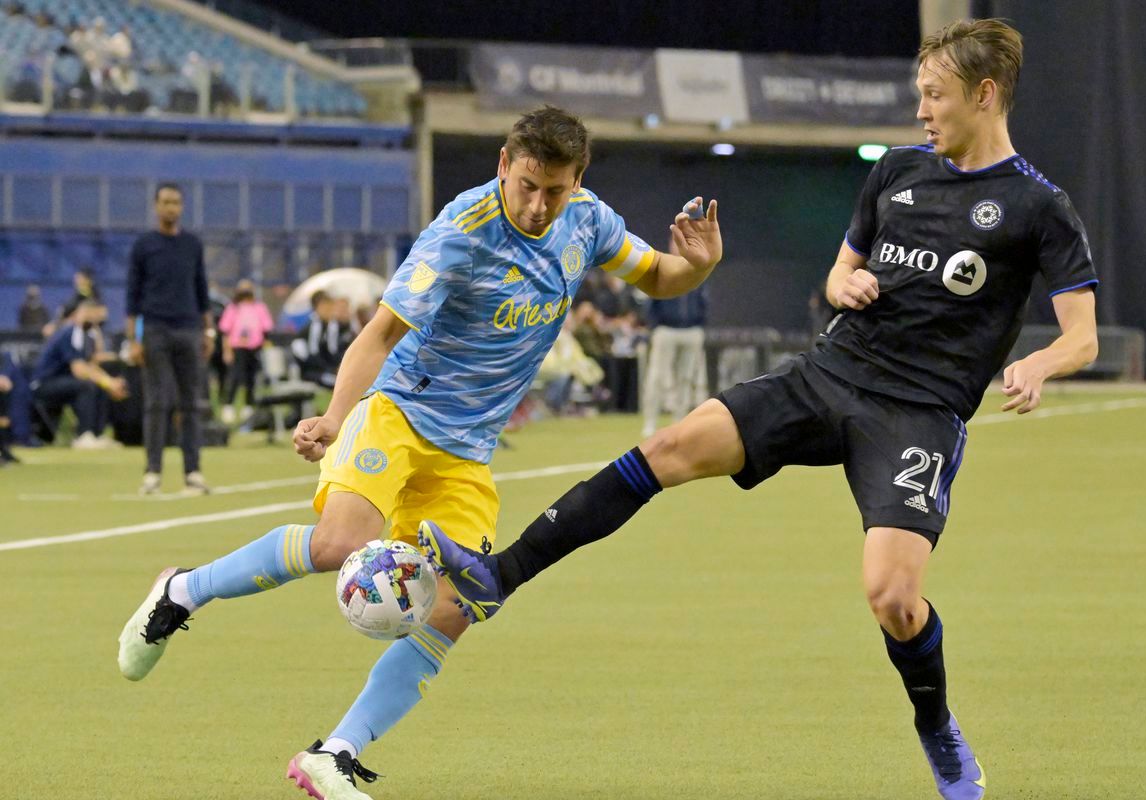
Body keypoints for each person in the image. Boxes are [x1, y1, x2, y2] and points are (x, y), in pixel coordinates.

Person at [423, 21, 1099, 800]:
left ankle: (936, 726)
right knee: (670, 446)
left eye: (935, 95)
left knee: (894, 598)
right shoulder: (896, 175)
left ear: (984, 96)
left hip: (918, 414)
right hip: (827, 375)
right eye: (919, 93)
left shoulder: (1038, 206)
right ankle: (498, 576)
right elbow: (845, 269)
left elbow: (1079, 336)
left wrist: (1041, 362)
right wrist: (843, 284)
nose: (921, 110)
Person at [115, 105, 723, 800]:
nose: (536, 204)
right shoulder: (461, 233)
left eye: (553, 190)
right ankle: (179, 592)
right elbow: (377, 336)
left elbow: (660, 276)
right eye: (526, 184)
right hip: (400, 413)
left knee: (456, 607)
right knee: (337, 543)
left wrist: (699, 267)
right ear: (504, 164)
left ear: (577, 180)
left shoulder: (588, 221)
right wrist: (336, 417)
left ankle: (333, 755)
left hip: (466, 454)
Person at [126, 182, 213, 496]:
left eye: (176, 202)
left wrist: (207, 331)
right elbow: (132, 297)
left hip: (189, 329)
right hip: (155, 330)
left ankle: (193, 472)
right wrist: (134, 340)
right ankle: (152, 472)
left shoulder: (192, 244)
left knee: (190, 403)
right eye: (165, 202)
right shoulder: (144, 245)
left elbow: (201, 289)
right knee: (157, 400)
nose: (171, 208)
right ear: (155, 206)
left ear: (182, 207)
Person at [31, 299, 129, 449]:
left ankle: (97, 434)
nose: (98, 324)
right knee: (87, 385)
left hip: (62, 381)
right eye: (97, 319)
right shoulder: (70, 331)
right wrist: (108, 382)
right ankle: (84, 436)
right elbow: (79, 370)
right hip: (43, 384)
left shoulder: (84, 335)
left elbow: (90, 365)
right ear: (86, 314)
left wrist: (109, 383)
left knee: (99, 386)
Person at [640, 239, 709, 437]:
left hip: (691, 330)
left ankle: (679, 422)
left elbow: (704, 301)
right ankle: (650, 422)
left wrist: (700, 323)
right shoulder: (663, 266)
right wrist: (655, 326)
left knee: (686, 378)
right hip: (666, 329)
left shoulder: (697, 269)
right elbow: (651, 297)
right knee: (657, 377)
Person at [219, 279, 274, 424]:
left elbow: (266, 328)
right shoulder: (233, 308)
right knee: (235, 376)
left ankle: (249, 406)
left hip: (254, 347)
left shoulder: (259, 307)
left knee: (251, 378)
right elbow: (225, 331)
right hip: (238, 347)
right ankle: (228, 405)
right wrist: (227, 350)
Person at [290, 290, 352, 389]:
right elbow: (313, 355)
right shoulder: (314, 326)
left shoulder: (332, 325)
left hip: (325, 368)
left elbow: (332, 351)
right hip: (312, 371)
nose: (330, 311)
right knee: (338, 383)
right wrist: (330, 370)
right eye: (327, 307)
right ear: (318, 307)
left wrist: (337, 367)